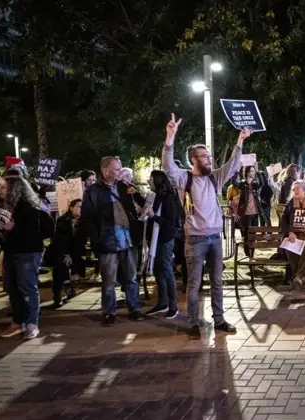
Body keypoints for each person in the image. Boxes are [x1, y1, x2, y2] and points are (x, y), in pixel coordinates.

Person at [162, 113, 249, 337]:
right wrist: (170, 138)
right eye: (205, 157)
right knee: (194, 284)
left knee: (218, 282)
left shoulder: (214, 178)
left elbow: (232, 165)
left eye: (209, 156)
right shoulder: (184, 179)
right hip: (195, 239)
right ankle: (193, 323)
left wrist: (240, 141)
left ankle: (219, 319)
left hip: (215, 238)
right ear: (193, 159)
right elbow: (168, 167)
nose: (209, 160)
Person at [81, 157, 145, 326]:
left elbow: (139, 206)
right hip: (108, 240)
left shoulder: (124, 187)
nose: (119, 172)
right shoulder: (93, 191)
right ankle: (109, 311)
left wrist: (135, 194)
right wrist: (96, 240)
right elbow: (87, 218)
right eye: (116, 169)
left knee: (131, 277)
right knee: (109, 280)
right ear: (105, 171)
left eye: (120, 169)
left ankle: (134, 308)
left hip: (128, 239)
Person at [0, 175, 54, 339]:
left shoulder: (32, 208)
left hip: (28, 253)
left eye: (3, 187)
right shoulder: (8, 207)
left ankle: (31, 323)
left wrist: (14, 228)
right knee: (12, 287)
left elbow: (48, 229)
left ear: (14, 190)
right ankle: (18, 321)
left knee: (27, 287)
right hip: (11, 252)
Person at [144, 170, 182, 318]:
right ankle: (162, 303)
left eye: (151, 179)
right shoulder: (156, 196)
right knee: (158, 271)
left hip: (165, 238)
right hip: (155, 238)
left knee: (166, 271)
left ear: (157, 181)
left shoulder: (168, 198)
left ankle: (173, 306)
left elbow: (170, 222)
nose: (149, 181)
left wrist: (153, 217)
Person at [280, 181, 305, 290]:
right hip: (296, 234)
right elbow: (284, 221)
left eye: (297, 188)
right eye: (293, 189)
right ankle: (300, 277)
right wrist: (290, 232)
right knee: (289, 246)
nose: (295, 191)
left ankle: (299, 276)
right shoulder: (290, 204)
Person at [50, 198, 84, 308]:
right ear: (71, 208)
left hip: (77, 252)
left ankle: (67, 285)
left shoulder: (84, 220)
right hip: (62, 251)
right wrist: (66, 254)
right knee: (59, 265)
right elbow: (59, 240)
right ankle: (58, 294)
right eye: (78, 207)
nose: (81, 209)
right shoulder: (63, 220)